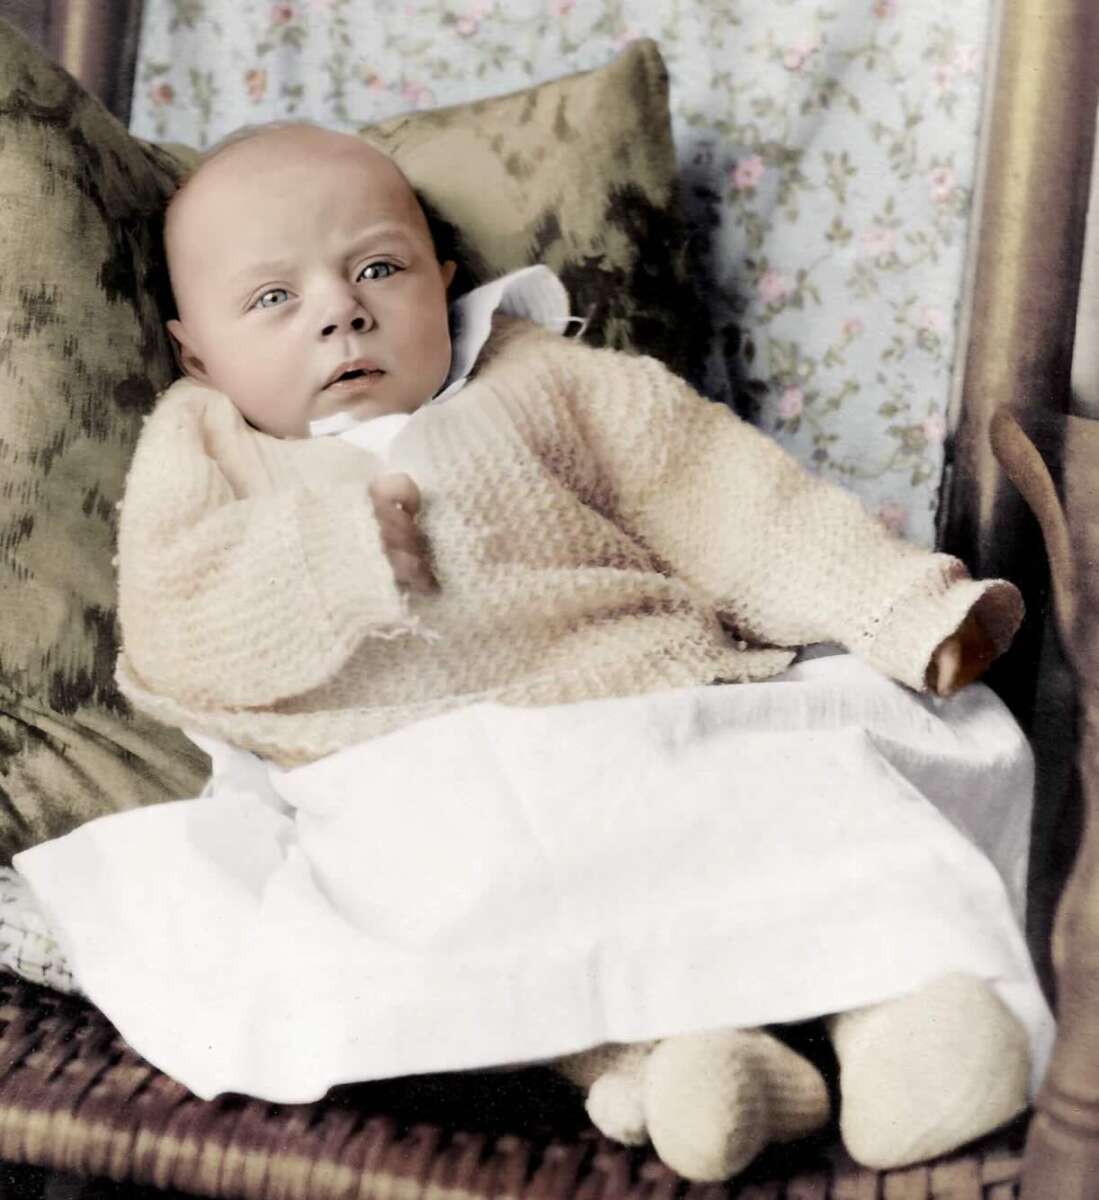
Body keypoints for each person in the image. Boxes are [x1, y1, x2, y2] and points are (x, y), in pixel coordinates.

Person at [20, 122, 1048, 1183]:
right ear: (198, 351)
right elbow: (176, 627)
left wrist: (898, 605)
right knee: (436, 894)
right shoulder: (205, 443)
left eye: (378, 268)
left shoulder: (539, 376)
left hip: (644, 699)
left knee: (816, 784)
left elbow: (723, 499)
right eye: (274, 299)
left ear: (443, 279)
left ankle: (897, 1014)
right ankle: (679, 1063)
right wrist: (327, 558)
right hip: (408, 770)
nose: (341, 308)